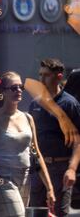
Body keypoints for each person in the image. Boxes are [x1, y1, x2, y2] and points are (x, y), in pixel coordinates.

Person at [0, 71, 55, 217]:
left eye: (20, 87)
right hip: (2, 177)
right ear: (3, 92)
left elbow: (36, 153)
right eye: (13, 88)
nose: (18, 90)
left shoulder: (27, 118)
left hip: (25, 177)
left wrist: (49, 188)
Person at [29, 59, 80, 216]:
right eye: (40, 75)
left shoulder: (70, 104)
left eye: (46, 75)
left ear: (58, 77)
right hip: (38, 169)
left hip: (60, 169)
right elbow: (31, 137)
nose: (41, 80)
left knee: (58, 213)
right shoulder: (35, 104)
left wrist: (72, 169)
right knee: (35, 212)